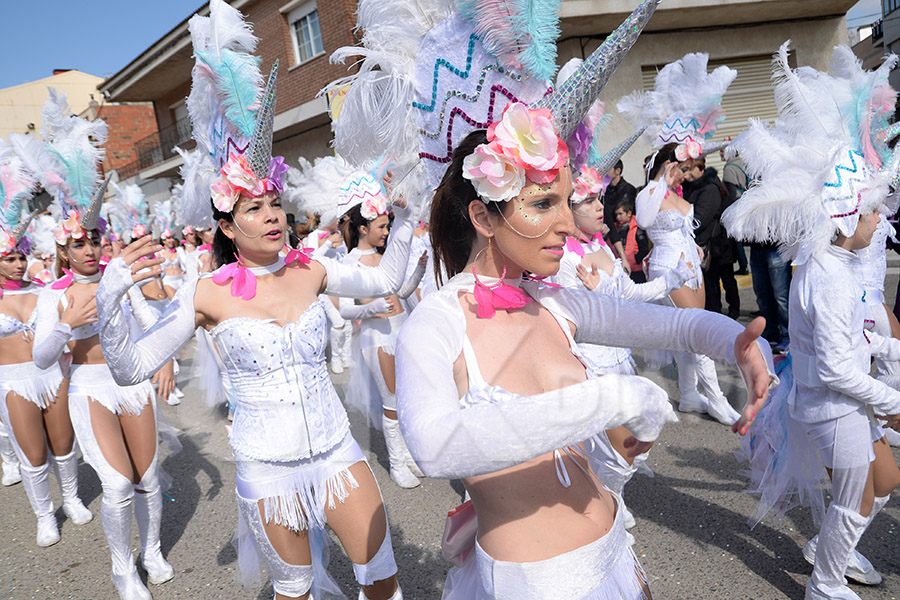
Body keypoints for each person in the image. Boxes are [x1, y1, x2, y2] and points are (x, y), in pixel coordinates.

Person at [97, 4, 413, 598]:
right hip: (267, 471)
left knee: (383, 582)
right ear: (228, 226)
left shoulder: (314, 270)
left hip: (337, 453)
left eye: (274, 203)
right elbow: (131, 367)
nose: (271, 216)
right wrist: (109, 303)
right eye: (253, 208)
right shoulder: (205, 292)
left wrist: (408, 214)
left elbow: (389, 282)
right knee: (293, 590)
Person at [725, 43, 900, 600]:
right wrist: (891, 399)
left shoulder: (837, 265)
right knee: (852, 499)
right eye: (873, 209)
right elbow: (833, 368)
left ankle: (830, 552)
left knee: (884, 484)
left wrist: (889, 360)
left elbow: (861, 336)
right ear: (850, 214)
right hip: (835, 406)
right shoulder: (825, 277)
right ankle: (825, 581)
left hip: (850, 401)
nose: (880, 220)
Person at [16, 88, 178, 600]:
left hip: (132, 385)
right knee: (116, 484)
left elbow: (152, 319)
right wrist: (65, 323)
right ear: (63, 248)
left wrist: (165, 359)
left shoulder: (121, 276)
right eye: (78, 243)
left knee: (148, 477)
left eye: (94, 239)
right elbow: (43, 358)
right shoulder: (51, 295)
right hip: (88, 389)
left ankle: (150, 551)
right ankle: (122, 569)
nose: (89, 249)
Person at [619, 52, 742, 426]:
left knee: (691, 333)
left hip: (693, 267)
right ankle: (718, 400)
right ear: (664, 164)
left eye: (686, 166)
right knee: (699, 332)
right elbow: (644, 217)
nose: (684, 171)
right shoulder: (651, 192)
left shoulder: (680, 194)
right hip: (668, 268)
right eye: (678, 165)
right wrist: (661, 178)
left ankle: (689, 395)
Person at [0, 145, 93, 547]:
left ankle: (71, 499)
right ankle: (43, 516)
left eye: (21, 257)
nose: (18, 264)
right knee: (33, 456)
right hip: (13, 380)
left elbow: (66, 336)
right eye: (9, 258)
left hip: (52, 374)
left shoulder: (45, 293)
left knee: (63, 444)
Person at [682, 158, 739, 318]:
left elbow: (699, 220)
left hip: (711, 245)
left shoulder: (708, 188)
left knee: (712, 289)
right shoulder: (691, 186)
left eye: (690, 169)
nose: (686, 175)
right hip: (702, 245)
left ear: (701, 168)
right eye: (684, 170)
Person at [720, 148, 749, 275]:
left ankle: (743, 265)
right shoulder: (742, 163)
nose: (720, 153)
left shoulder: (729, 169)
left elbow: (730, 194)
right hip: (745, 202)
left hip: (736, 204)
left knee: (736, 238)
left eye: (722, 151)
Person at [615, 199, 650, 283]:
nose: (618, 217)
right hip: (622, 267)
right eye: (616, 215)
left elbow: (644, 247)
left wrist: (636, 259)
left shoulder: (637, 226)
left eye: (620, 214)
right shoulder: (616, 228)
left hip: (636, 268)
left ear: (629, 213)